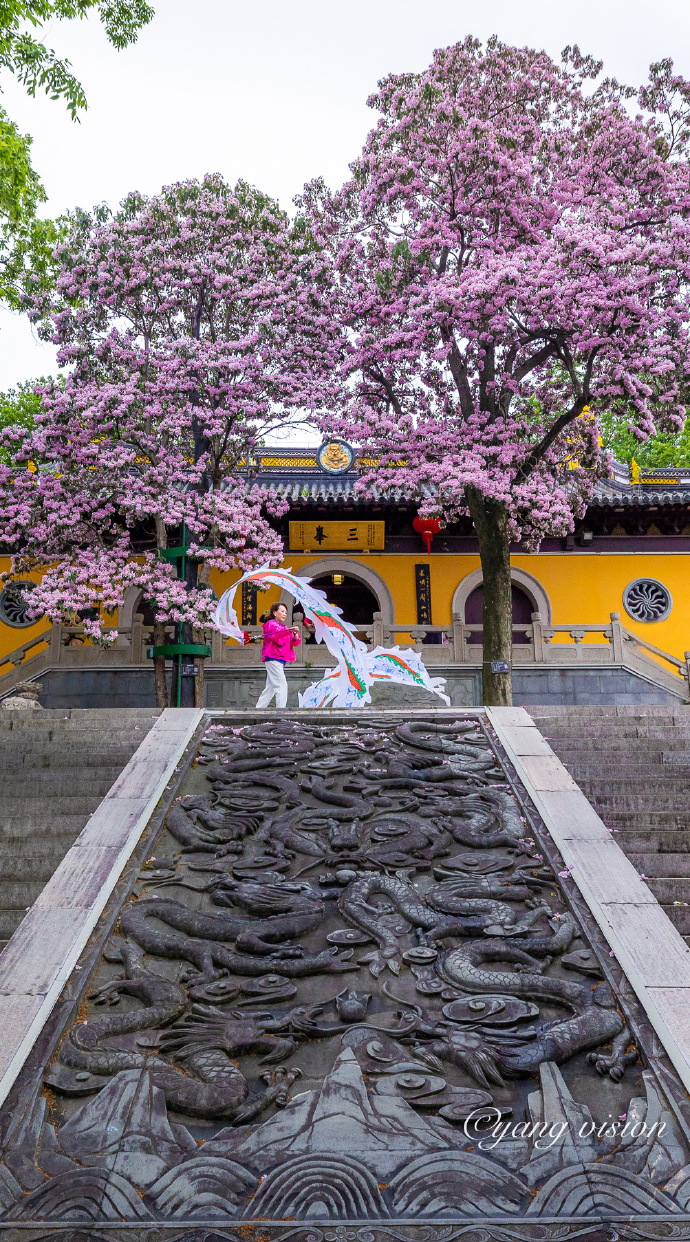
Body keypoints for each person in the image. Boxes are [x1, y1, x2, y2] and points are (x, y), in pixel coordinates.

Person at [256, 601, 301, 709]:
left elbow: (292, 642)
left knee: (270, 688)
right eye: (282, 611)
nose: (284, 614)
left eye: (285, 612)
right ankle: (281, 711)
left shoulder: (282, 627)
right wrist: (289, 630)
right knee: (281, 685)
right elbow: (276, 633)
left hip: (277, 659)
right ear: (274, 613)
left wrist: (295, 637)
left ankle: (259, 709)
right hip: (273, 658)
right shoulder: (271, 624)